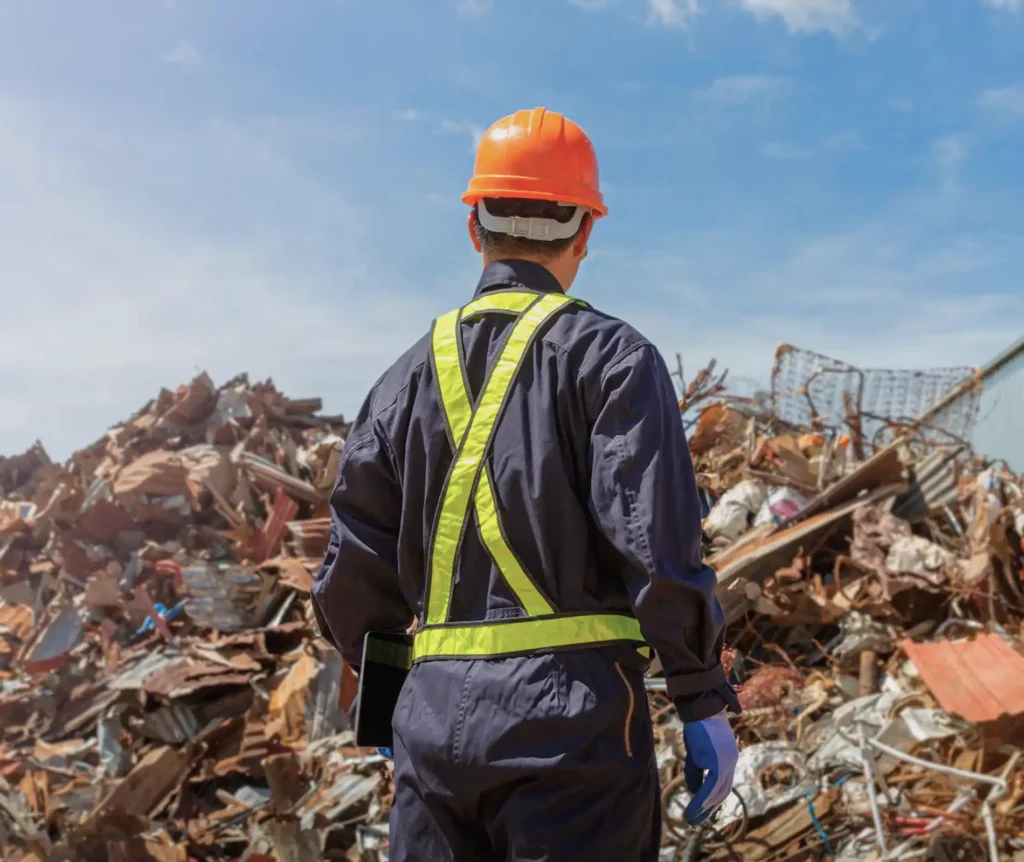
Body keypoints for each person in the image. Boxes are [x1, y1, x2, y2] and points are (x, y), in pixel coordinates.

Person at [312, 107, 740, 862]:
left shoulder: (400, 382)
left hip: (433, 733)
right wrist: (702, 696)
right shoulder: (613, 361)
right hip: (574, 735)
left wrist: (390, 705)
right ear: (586, 232)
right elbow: (656, 548)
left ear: (475, 226)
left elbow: (352, 572)